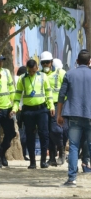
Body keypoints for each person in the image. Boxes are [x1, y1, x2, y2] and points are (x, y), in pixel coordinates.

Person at [11, 59, 55, 169]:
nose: (31, 73)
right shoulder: (22, 79)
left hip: (42, 110)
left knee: (44, 134)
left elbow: (49, 92)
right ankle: (32, 162)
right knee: (29, 136)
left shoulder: (42, 77)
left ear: (36, 68)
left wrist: (51, 106)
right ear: (27, 69)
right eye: (30, 71)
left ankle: (43, 161)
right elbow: (17, 96)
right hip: (28, 111)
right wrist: (15, 108)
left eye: (33, 71)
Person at [57, 50, 91, 187]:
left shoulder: (69, 74)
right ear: (89, 62)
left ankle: (72, 179)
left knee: (74, 147)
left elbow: (61, 96)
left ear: (77, 61)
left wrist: (59, 114)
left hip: (74, 115)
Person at [40, 52, 67, 166]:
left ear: (52, 62)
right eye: (43, 63)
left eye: (47, 62)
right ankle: (51, 157)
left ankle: (61, 152)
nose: (45, 64)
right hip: (43, 105)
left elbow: (66, 88)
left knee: (56, 130)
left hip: (57, 105)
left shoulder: (60, 72)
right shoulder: (39, 74)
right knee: (47, 131)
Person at [0, 53, 16, 168]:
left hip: (7, 108)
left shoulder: (6, 72)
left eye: (2, 61)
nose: (0, 63)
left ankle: (2, 151)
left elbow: (11, 89)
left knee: (11, 133)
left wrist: (14, 106)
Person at [15, 66, 29, 161]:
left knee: (19, 131)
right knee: (24, 132)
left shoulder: (15, 79)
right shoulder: (24, 80)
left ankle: (23, 153)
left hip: (15, 108)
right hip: (24, 108)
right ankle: (23, 153)